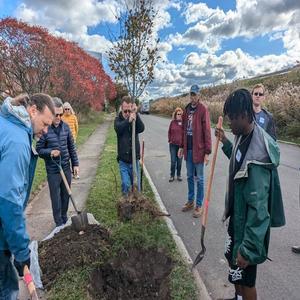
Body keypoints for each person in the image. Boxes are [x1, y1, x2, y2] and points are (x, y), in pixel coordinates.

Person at [215, 88, 285, 300]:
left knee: (246, 279)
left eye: (232, 119)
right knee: (234, 266)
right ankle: (237, 298)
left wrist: (248, 249)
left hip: (249, 228)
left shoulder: (259, 154)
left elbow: (259, 210)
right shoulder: (241, 135)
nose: (229, 124)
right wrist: (225, 142)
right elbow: (238, 164)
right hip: (238, 218)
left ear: (245, 115)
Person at [0, 93, 54, 299]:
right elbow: (9, 202)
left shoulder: (6, 123)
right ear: (32, 111)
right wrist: (22, 253)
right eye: (45, 123)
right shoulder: (17, 142)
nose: (46, 130)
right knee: (7, 289)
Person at [36, 97, 79, 229]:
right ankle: (58, 223)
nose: (59, 117)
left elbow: (71, 147)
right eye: (56, 114)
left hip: (65, 166)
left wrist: (75, 164)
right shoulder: (45, 129)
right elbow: (39, 149)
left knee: (66, 195)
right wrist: (50, 152)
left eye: (61, 114)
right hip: (53, 169)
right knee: (56, 198)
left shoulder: (65, 128)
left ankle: (64, 218)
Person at [178, 84, 212, 218]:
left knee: (200, 179)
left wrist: (207, 152)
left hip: (199, 150)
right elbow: (183, 130)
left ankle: (199, 204)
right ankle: (190, 201)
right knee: (189, 177)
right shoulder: (186, 109)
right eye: (191, 94)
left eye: (195, 94)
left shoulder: (203, 109)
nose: (193, 97)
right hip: (189, 149)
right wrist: (181, 146)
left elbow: (207, 131)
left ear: (199, 96)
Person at [114, 95, 145, 195]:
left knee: (137, 187)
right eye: (125, 111)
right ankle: (125, 205)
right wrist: (128, 121)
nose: (127, 113)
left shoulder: (134, 117)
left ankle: (136, 205)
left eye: (129, 111)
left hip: (134, 160)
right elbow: (118, 129)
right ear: (121, 109)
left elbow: (141, 128)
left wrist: (136, 114)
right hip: (124, 161)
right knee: (126, 185)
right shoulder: (118, 120)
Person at [168, 107, 184, 182]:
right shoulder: (172, 122)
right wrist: (170, 140)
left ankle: (178, 175)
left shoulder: (184, 123)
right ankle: (172, 175)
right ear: (175, 115)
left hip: (181, 146)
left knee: (179, 162)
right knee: (173, 161)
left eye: (180, 114)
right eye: (178, 114)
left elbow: (185, 135)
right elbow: (169, 132)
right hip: (173, 145)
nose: (179, 115)